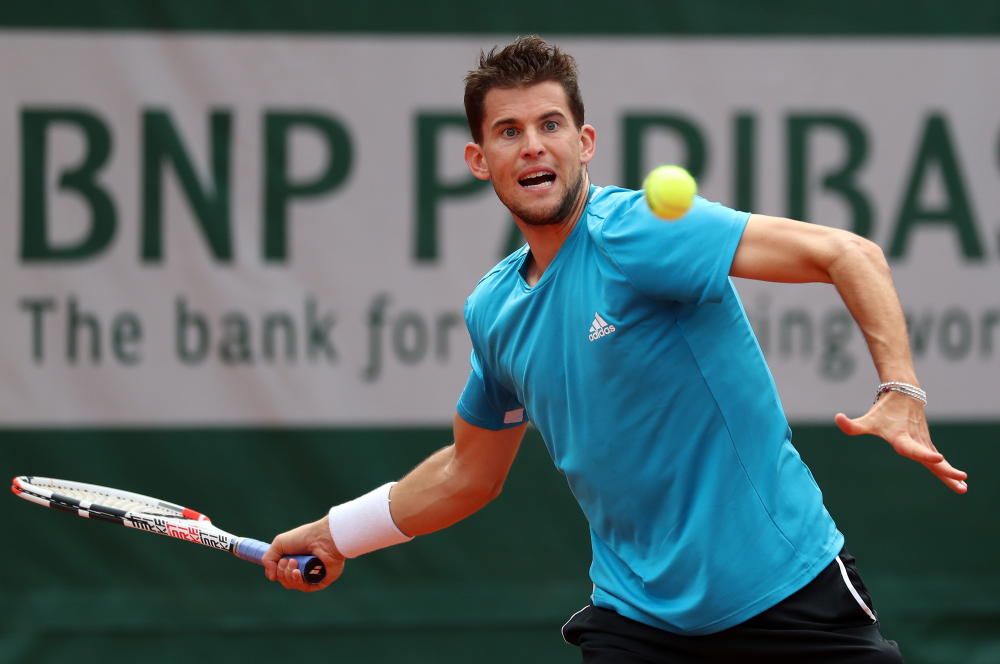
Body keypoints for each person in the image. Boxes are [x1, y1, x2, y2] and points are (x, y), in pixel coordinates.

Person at [262, 36, 967, 662]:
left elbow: (848, 254)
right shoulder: (495, 310)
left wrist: (901, 391)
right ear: (480, 160)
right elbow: (467, 475)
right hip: (640, 621)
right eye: (508, 132)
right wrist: (335, 534)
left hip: (784, 594)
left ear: (585, 142)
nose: (532, 145)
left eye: (550, 125)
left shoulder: (642, 232)